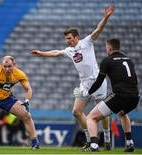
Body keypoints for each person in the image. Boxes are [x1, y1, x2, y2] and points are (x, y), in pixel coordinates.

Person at [31, 5, 115, 150]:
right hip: (84, 85)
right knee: (76, 112)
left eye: (69, 38)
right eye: (66, 39)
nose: (67, 41)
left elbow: (98, 30)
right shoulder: (69, 50)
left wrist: (106, 17)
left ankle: (106, 139)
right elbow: (56, 52)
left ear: (77, 37)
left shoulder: (87, 42)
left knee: (102, 113)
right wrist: (41, 53)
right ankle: (89, 140)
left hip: (98, 82)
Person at [84, 39, 140, 152]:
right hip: (135, 97)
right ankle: (129, 143)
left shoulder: (107, 60)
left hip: (119, 96)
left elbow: (99, 81)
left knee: (91, 118)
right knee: (122, 113)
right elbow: (135, 80)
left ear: (109, 48)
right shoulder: (129, 60)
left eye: (106, 47)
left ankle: (94, 146)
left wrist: (88, 92)